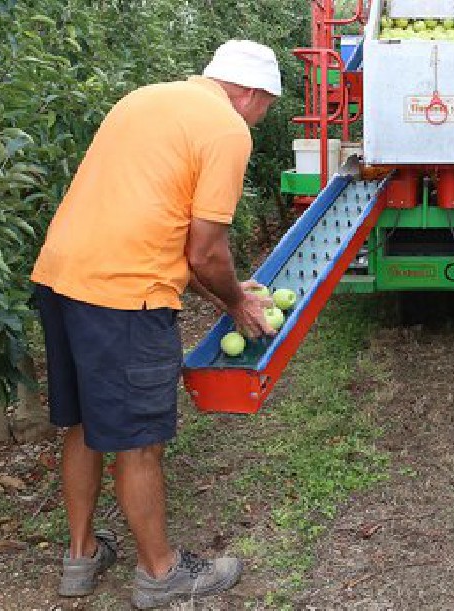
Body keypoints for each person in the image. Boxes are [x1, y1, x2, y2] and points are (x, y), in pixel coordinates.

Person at [30, 40, 282, 608]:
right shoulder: (227, 128)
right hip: (124, 297)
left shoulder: (144, 99)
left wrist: (227, 299)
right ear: (251, 94)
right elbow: (205, 250)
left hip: (61, 276)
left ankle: (80, 557)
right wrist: (239, 302)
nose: (259, 120)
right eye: (265, 108)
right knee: (141, 442)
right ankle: (160, 572)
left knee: (84, 424)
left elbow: (158, 226)